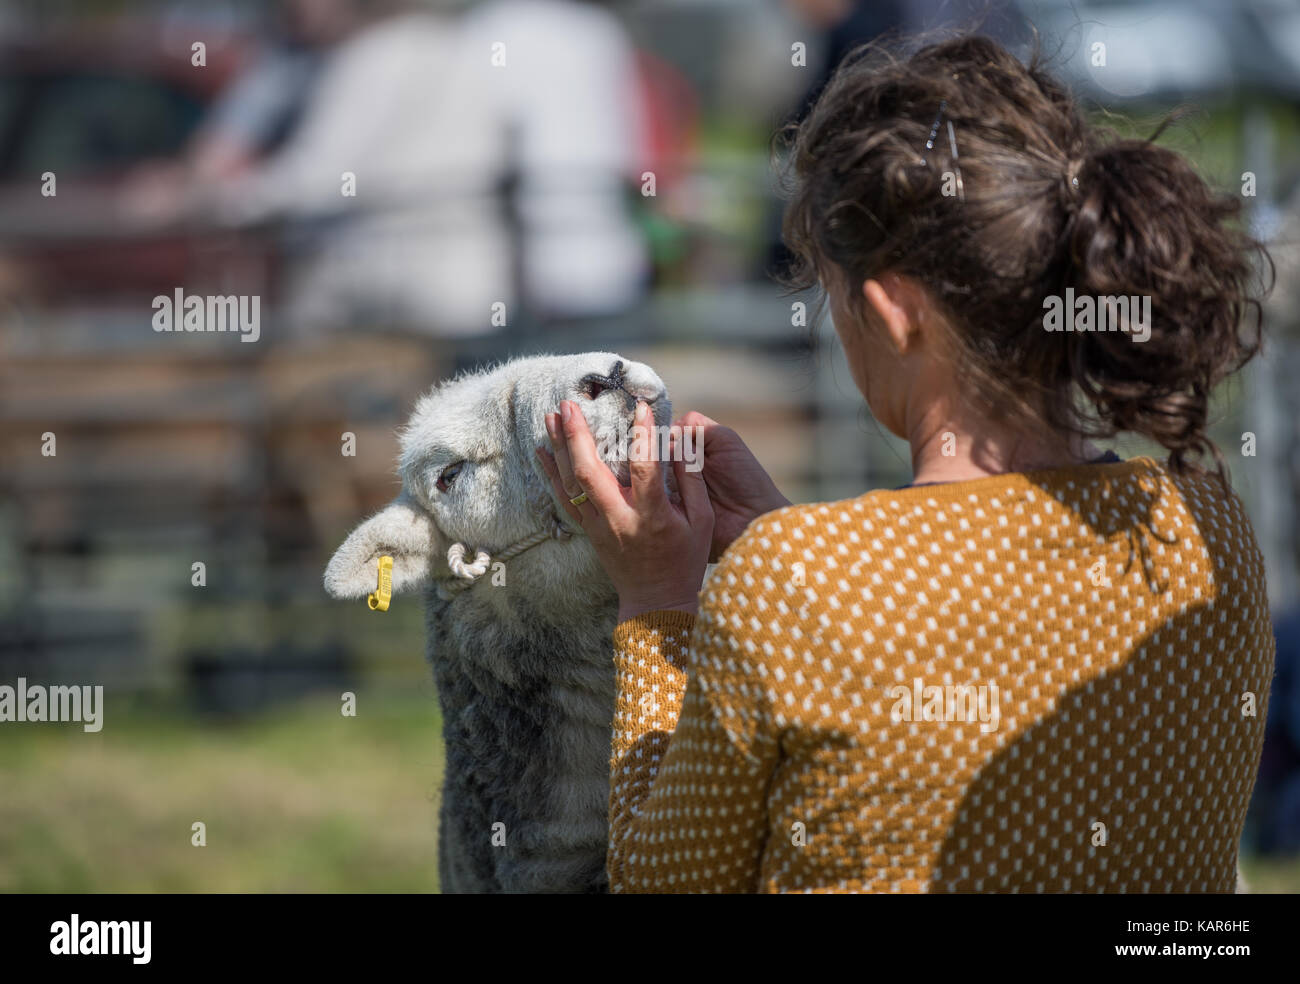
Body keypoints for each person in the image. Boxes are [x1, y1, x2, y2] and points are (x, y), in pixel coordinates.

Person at [537, 33, 1276, 893]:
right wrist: (787, 557)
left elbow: (668, 884)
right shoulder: (1206, 528)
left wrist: (659, 601)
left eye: (829, 290)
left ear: (893, 312)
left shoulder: (796, 583)